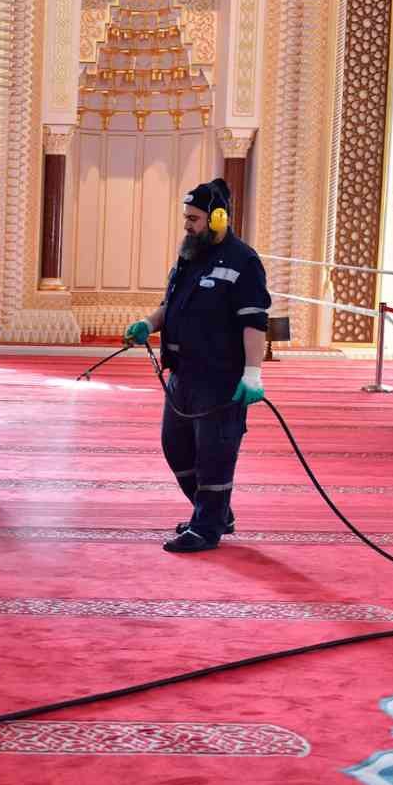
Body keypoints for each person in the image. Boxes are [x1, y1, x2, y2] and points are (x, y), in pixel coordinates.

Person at [124, 179, 270, 553]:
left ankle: (207, 529)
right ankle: (216, 513)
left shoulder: (244, 262)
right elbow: (169, 306)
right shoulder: (189, 256)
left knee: (214, 456)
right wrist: (148, 323)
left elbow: (254, 323)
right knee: (176, 448)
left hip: (219, 380)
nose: (187, 225)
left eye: (193, 218)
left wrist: (253, 374)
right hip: (182, 375)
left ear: (218, 218)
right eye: (186, 217)